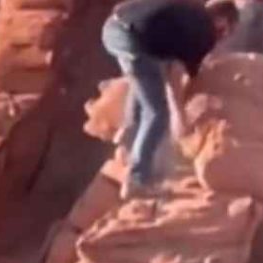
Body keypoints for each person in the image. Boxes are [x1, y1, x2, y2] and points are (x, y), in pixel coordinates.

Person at [102, 0, 239, 199]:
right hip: (131, 38)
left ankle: (129, 141)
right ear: (222, 20)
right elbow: (175, 75)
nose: (224, 37)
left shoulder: (190, 14)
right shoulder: (204, 32)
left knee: (145, 83)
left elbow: (169, 64)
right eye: (227, 30)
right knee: (157, 113)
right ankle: (137, 179)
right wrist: (179, 115)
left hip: (114, 28)